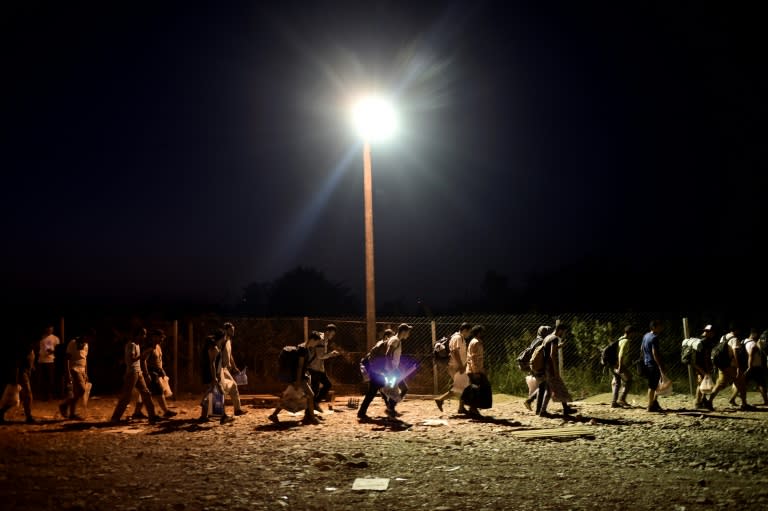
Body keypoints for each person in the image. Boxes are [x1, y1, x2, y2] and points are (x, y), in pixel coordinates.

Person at [357, 324, 412, 421]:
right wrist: (391, 370)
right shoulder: (395, 340)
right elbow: (388, 354)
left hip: (385, 370)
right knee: (404, 388)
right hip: (390, 370)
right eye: (408, 331)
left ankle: (362, 412)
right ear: (403, 331)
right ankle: (390, 408)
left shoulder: (394, 339)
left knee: (372, 391)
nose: (409, 334)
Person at [268, 331, 323, 425]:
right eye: (317, 342)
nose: (317, 344)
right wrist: (297, 381)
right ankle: (312, 418)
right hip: (299, 377)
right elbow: (300, 366)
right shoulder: (303, 349)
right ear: (313, 340)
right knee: (310, 395)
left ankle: (274, 415)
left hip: (299, 376)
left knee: (289, 397)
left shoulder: (303, 347)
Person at [110, 328, 162, 424]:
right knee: (126, 396)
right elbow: (132, 358)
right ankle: (115, 417)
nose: (144, 337)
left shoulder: (137, 345)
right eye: (143, 335)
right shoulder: (131, 345)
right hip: (132, 372)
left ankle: (152, 416)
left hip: (138, 372)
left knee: (146, 393)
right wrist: (143, 355)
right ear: (138, 335)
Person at [132, 329, 177, 419]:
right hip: (151, 373)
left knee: (145, 394)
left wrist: (161, 370)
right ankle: (166, 411)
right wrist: (147, 374)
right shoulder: (149, 347)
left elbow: (158, 360)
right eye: (160, 337)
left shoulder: (157, 347)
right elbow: (143, 361)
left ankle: (137, 413)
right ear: (154, 337)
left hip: (156, 372)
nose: (162, 339)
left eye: (162, 337)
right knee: (159, 391)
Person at [708, 324, 751, 410]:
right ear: (736, 330)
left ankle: (709, 401)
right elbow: (735, 352)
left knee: (719, 384)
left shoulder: (723, 337)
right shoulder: (734, 339)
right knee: (741, 384)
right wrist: (738, 367)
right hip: (732, 366)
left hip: (722, 365)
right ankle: (744, 404)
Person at [538, 323, 576, 417]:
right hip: (550, 367)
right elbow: (552, 355)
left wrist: (559, 346)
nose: (563, 334)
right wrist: (555, 370)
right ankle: (564, 409)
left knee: (551, 389)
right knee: (559, 387)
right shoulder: (554, 339)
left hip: (545, 367)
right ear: (560, 330)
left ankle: (544, 411)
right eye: (563, 332)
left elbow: (547, 351)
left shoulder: (548, 337)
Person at [434, 322, 472, 414]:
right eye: (469, 332)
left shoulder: (460, 338)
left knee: (463, 387)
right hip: (456, 366)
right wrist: (461, 366)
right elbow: (455, 352)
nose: (469, 334)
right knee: (461, 387)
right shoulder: (458, 338)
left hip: (457, 366)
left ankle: (460, 407)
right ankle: (440, 399)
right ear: (464, 330)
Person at [58, 331, 91, 421]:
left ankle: (72, 413)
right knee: (81, 390)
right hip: (74, 368)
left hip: (82, 369)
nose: (88, 340)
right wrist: (68, 372)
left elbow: (85, 359)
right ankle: (64, 405)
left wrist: (86, 373)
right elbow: (67, 359)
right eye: (88, 338)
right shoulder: (73, 343)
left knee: (77, 393)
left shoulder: (86, 345)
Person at [308, 324, 340, 412]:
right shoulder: (321, 340)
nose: (332, 336)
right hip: (314, 367)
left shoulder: (324, 340)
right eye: (332, 334)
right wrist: (331, 354)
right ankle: (311, 409)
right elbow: (320, 356)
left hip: (318, 367)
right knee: (315, 389)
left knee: (325, 385)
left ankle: (314, 404)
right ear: (327, 332)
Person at [464, 324, 492, 418]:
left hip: (475, 369)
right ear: (478, 333)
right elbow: (474, 358)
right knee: (478, 390)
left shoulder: (476, 342)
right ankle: (473, 409)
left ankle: (473, 409)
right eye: (482, 332)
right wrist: (476, 371)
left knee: (477, 390)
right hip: (474, 370)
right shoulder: (475, 342)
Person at [220, 322, 247, 417]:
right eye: (231, 330)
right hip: (221, 368)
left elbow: (230, 355)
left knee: (233, 387)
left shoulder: (229, 340)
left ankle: (237, 410)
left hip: (226, 369)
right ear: (226, 330)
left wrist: (234, 366)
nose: (233, 331)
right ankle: (221, 412)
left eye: (233, 330)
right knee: (223, 389)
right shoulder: (222, 340)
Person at [522, 325, 551, 412]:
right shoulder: (543, 341)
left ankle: (531, 402)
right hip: (539, 366)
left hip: (534, 365)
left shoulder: (537, 340)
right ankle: (537, 408)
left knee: (543, 386)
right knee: (544, 386)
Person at [641, 320, 667, 413]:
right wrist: (660, 366)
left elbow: (642, 349)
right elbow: (655, 353)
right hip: (653, 364)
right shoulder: (654, 338)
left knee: (655, 384)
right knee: (652, 386)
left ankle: (654, 403)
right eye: (660, 326)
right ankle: (649, 406)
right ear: (654, 327)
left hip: (647, 363)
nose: (661, 328)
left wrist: (644, 360)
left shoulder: (646, 336)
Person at [611, 325, 638, 408]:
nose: (634, 335)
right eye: (634, 333)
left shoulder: (621, 338)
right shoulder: (626, 341)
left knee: (618, 382)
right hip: (618, 364)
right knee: (629, 379)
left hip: (613, 364)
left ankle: (614, 402)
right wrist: (620, 366)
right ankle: (622, 399)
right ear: (631, 333)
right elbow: (621, 354)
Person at [691, 324, 716, 410]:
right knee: (701, 384)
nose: (713, 334)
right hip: (701, 366)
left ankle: (702, 400)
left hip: (699, 365)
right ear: (709, 332)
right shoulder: (705, 342)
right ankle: (697, 402)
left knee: (704, 383)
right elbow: (705, 356)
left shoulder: (699, 339)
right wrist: (705, 370)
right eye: (712, 332)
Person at [743, 328, 768, 405]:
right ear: (753, 334)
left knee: (743, 383)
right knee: (761, 383)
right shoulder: (753, 344)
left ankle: (733, 399)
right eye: (757, 334)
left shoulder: (744, 341)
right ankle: (766, 401)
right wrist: (750, 367)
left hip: (748, 366)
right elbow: (751, 355)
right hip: (755, 366)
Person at [37, 326, 60, 401]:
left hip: (50, 360)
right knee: (42, 379)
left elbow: (58, 350)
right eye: (48, 328)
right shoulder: (41, 337)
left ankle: (50, 395)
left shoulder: (55, 338)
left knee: (50, 379)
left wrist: (53, 352)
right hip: (41, 360)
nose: (49, 330)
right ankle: (42, 395)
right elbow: (38, 347)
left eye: (51, 328)